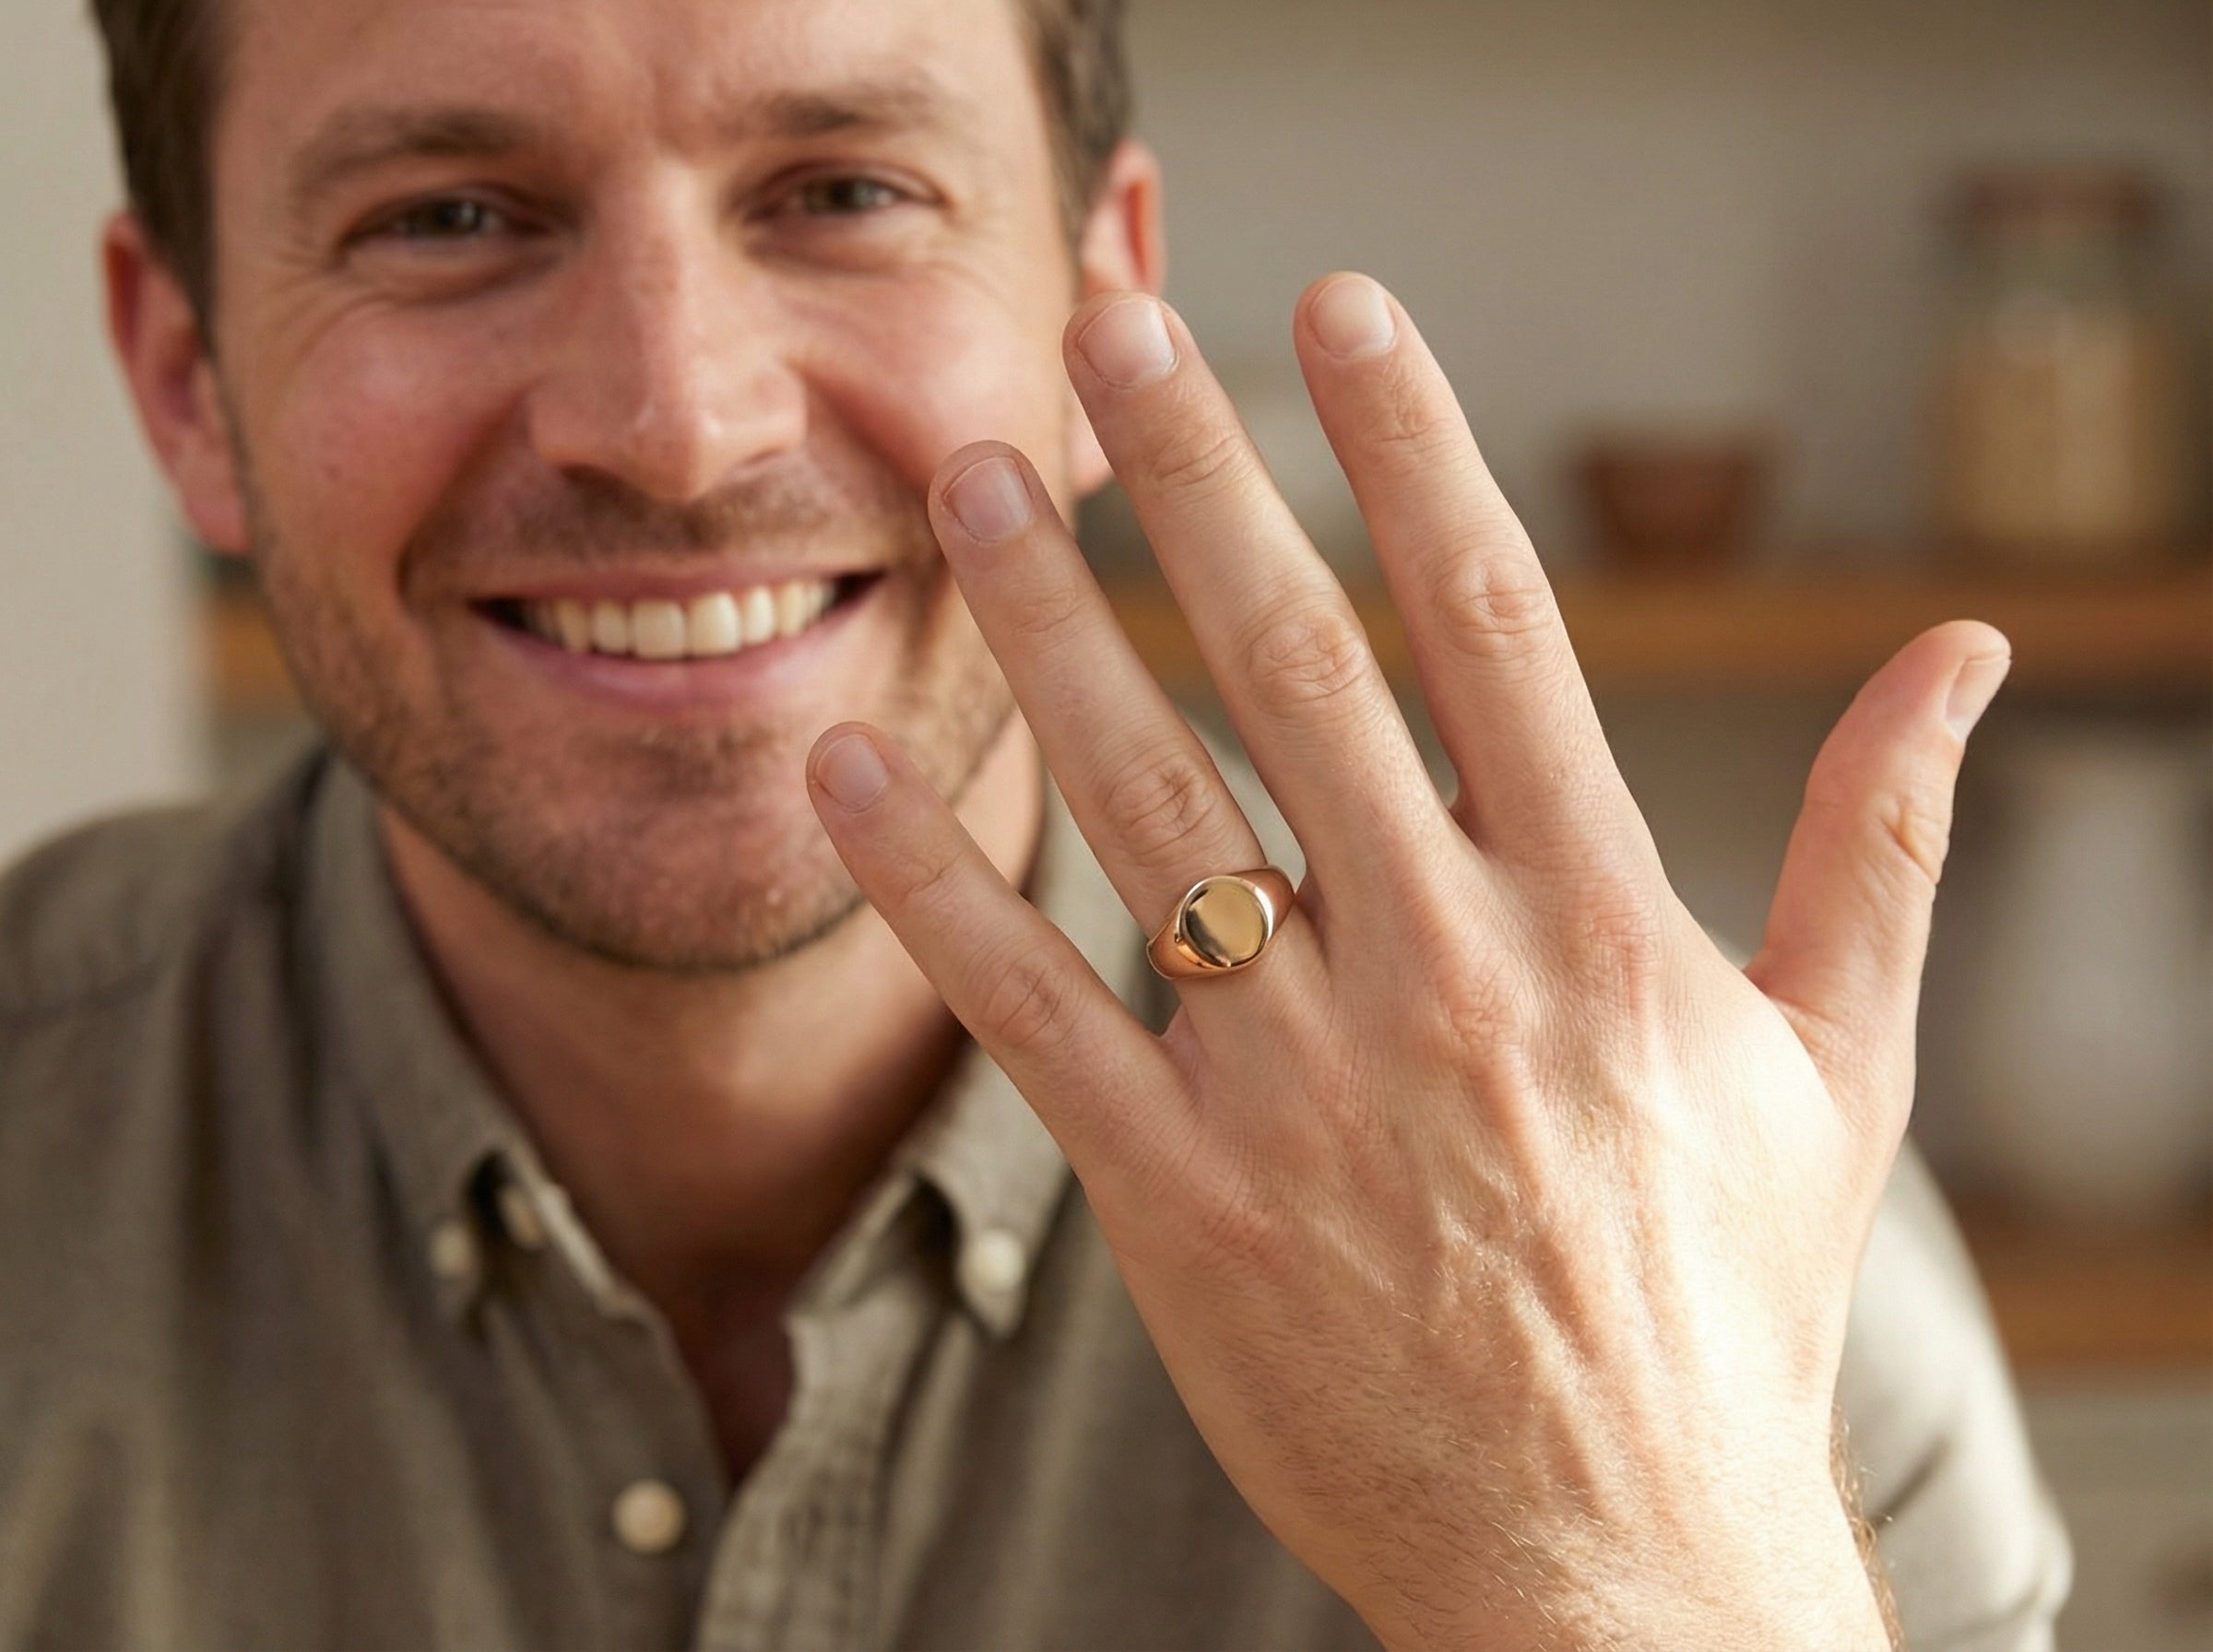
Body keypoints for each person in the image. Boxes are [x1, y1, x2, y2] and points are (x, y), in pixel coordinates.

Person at [0, 0, 2069, 1646]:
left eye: (841, 190)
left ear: (1105, 308)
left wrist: (1628, 1569)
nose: (675, 419)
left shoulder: (1679, 1239)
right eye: (447, 216)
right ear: (186, 380)